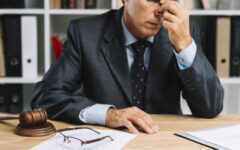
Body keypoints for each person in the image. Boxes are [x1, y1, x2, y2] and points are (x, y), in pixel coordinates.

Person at [31, 0, 224, 134]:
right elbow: (45, 97)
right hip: (106, 140)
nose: (162, 11)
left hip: (164, 140)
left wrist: (184, 46)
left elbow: (211, 107)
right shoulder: (85, 33)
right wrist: (107, 114)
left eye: (168, 0)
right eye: (151, 0)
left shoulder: (183, 33)